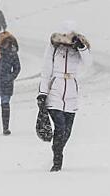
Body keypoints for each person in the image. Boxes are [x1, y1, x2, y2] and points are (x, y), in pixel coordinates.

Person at [36, 21, 91, 172]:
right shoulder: (53, 49)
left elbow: (89, 63)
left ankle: (57, 150)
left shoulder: (78, 49)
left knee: (67, 131)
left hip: (72, 91)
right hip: (55, 89)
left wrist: (82, 47)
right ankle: (57, 162)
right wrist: (42, 93)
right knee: (60, 127)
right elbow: (46, 70)